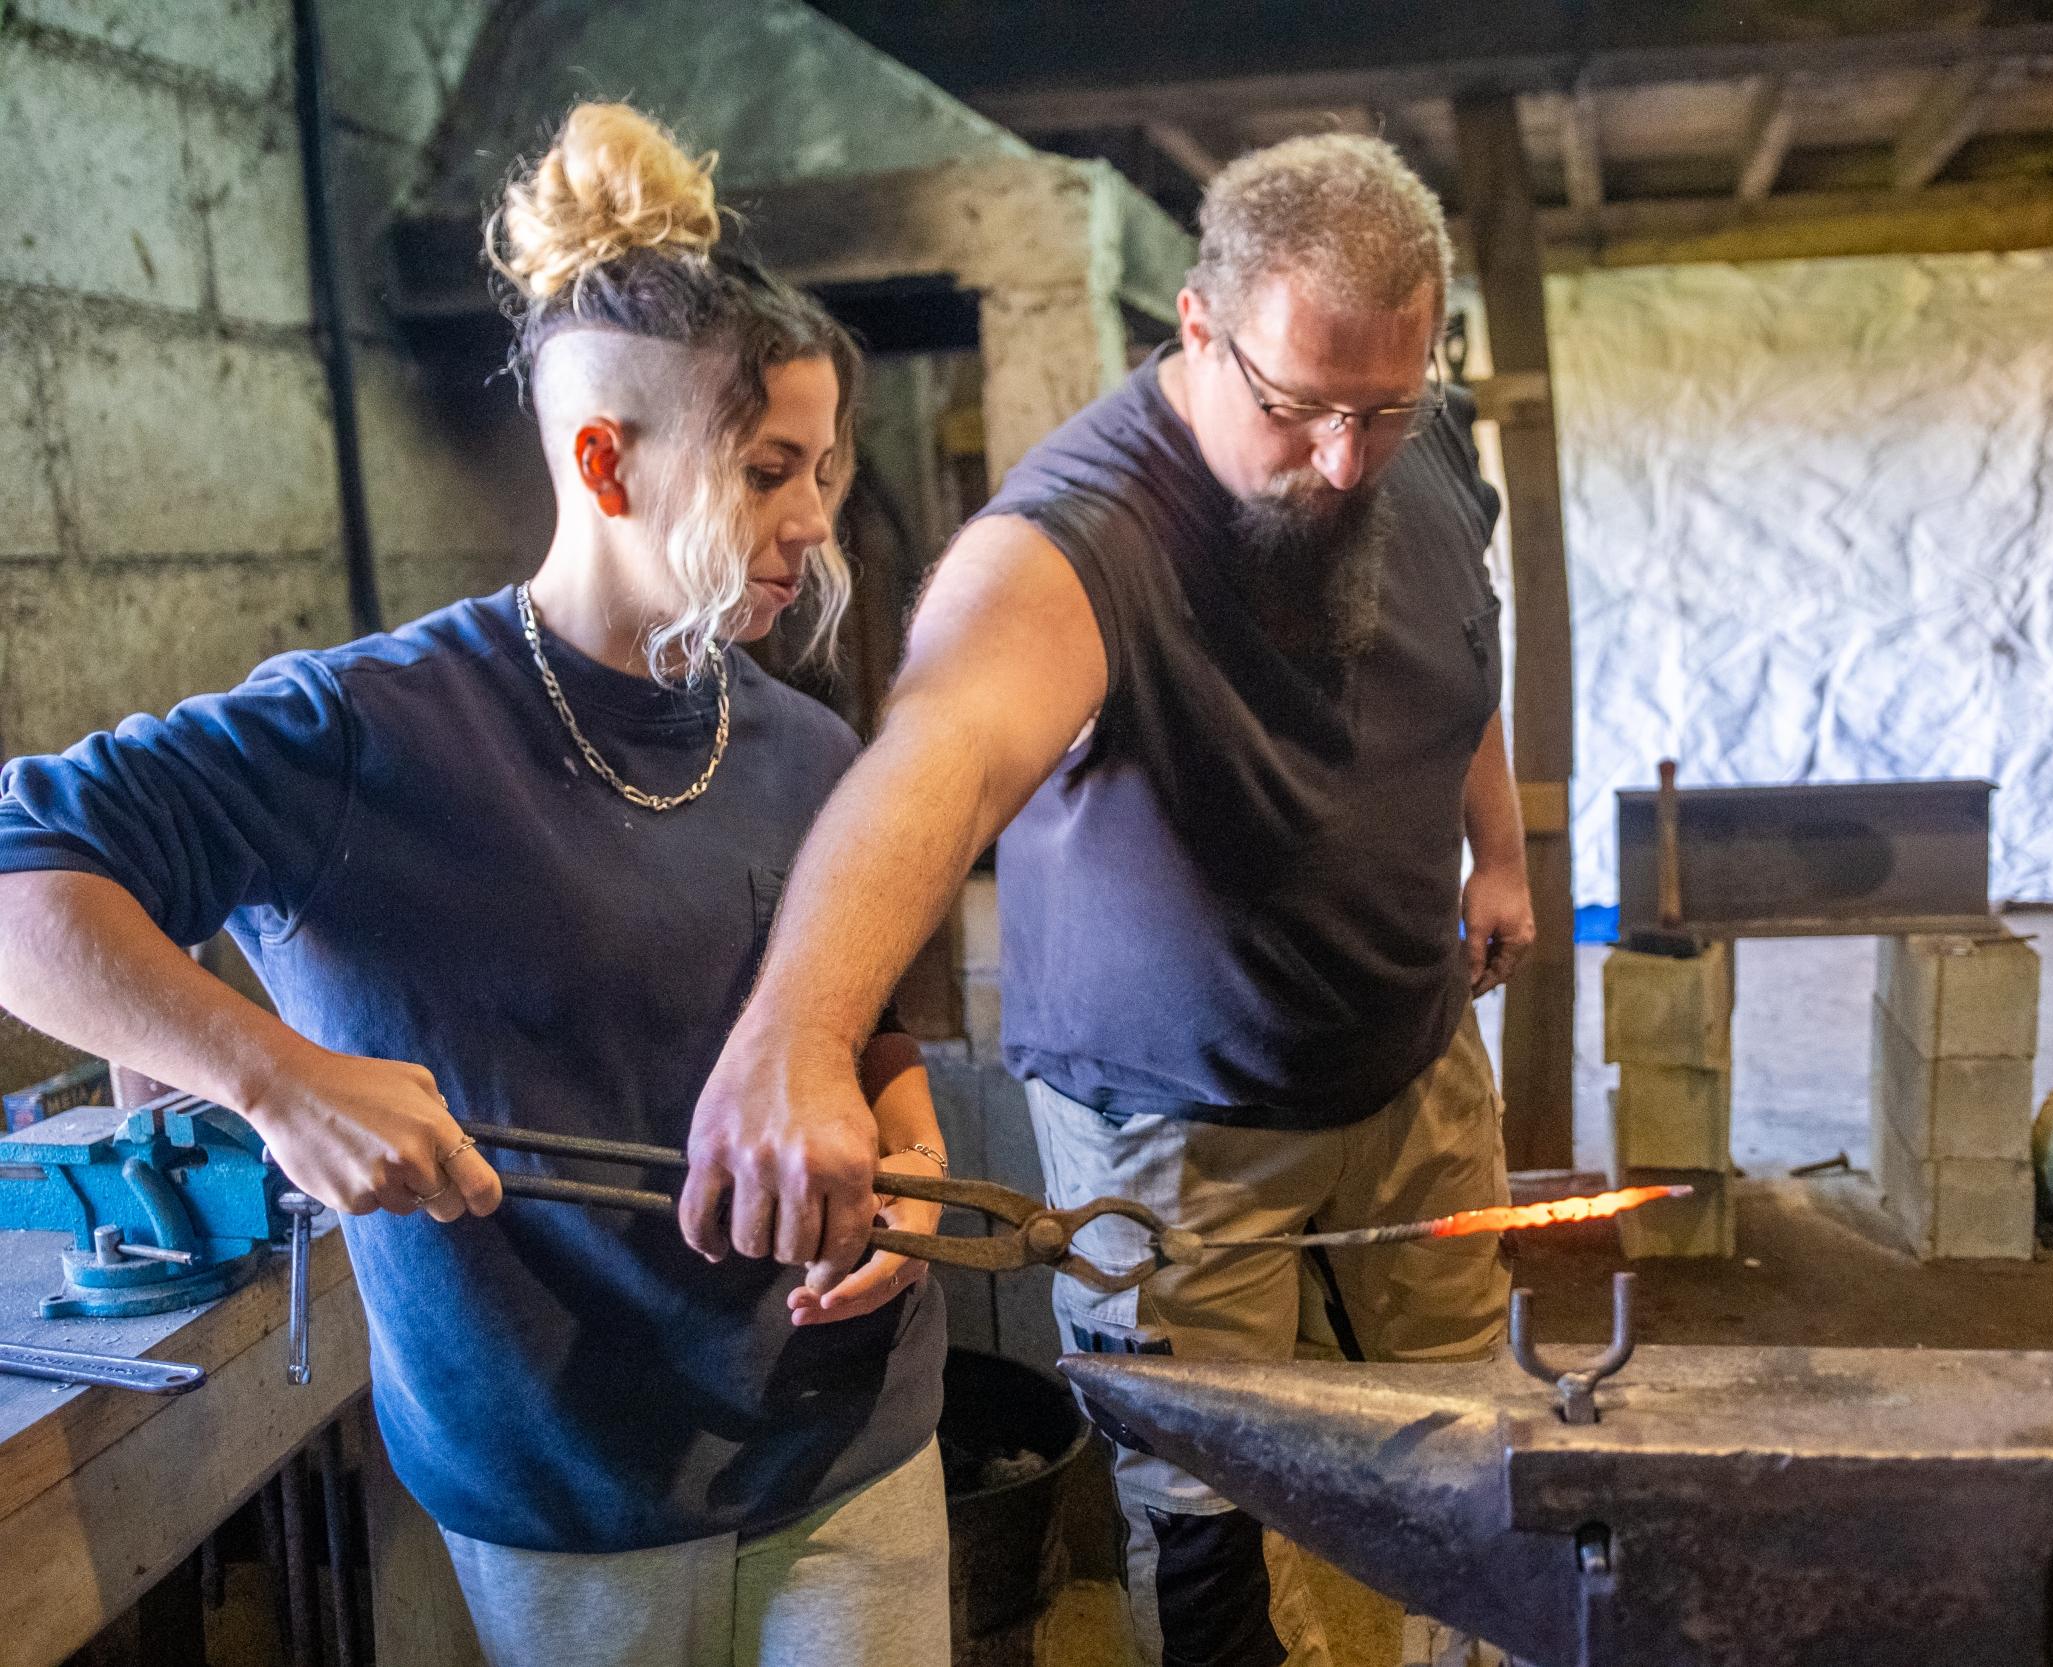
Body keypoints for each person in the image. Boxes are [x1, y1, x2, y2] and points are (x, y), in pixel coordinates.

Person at [0, 104, 949, 1666]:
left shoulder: (809, 744)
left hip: (851, 1449)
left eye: (825, 469)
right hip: (565, 1494)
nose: (814, 521)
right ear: (604, 459)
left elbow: (869, 1028)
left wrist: (903, 1160)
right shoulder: (366, 728)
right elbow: (30, 866)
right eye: (771, 467)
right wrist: (277, 1079)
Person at [686, 134, 1531, 1664]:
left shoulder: (1429, 439)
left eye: (1384, 408)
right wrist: (799, 1034)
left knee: (1472, 1436)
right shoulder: (1090, 525)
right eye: (1298, 408)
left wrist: (1505, 849)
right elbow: (948, 745)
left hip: (1414, 1060)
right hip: (1178, 1119)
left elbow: (1457, 649)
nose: (1348, 458)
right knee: (1208, 1515)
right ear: (1200, 330)